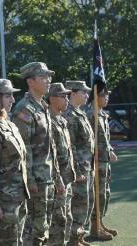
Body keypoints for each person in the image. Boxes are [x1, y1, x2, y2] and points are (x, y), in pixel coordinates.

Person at [11, 62, 63, 246]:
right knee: (33, 230)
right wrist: (30, 181)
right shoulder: (24, 109)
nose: (48, 80)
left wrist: (57, 176)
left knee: (43, 228)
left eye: (49, 76)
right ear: (31, 82)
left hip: (47, 178)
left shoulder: (42, 107)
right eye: (43, 77)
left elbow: (51, 147)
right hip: (36, 182)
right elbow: (23, 149)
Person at [63, 80, 112, 245]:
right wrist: (76, 170)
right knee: (78, 205)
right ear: (72, 93)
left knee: (88, 203)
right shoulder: (69, 115)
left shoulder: (79, 112)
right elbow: (71, 146)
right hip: (79, 170)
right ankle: (73, 239)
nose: (87, 95)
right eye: (83, 92)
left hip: (87, 166)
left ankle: (79, 236)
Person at [0, 79, 30, 245]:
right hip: (4, 202)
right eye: (8, 96)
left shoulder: (9, 124)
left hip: (18, 197)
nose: (13, 100)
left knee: (18, 241)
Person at [86, 86, 118, 239]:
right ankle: (94, 227)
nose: (107, 98)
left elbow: (105, 139)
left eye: (107, 95)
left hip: (104, 161)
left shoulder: (102, 115)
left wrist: (110, 149)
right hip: (96, 161)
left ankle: (100, 222)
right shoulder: (91, 115)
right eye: (103, 95)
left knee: (104, 193)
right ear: (95, 97)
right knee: (97, 194)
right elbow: (88, 140)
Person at [46, 83, 76, 246]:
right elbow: (52, 154)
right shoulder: (49, 120)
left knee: (66, 219)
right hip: (57, 181)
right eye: (63, 96)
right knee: (56, 223)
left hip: (66, 178)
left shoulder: (61, 119)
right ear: (52, 99)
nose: (67, 100)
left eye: (67, 96)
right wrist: (58, 180)